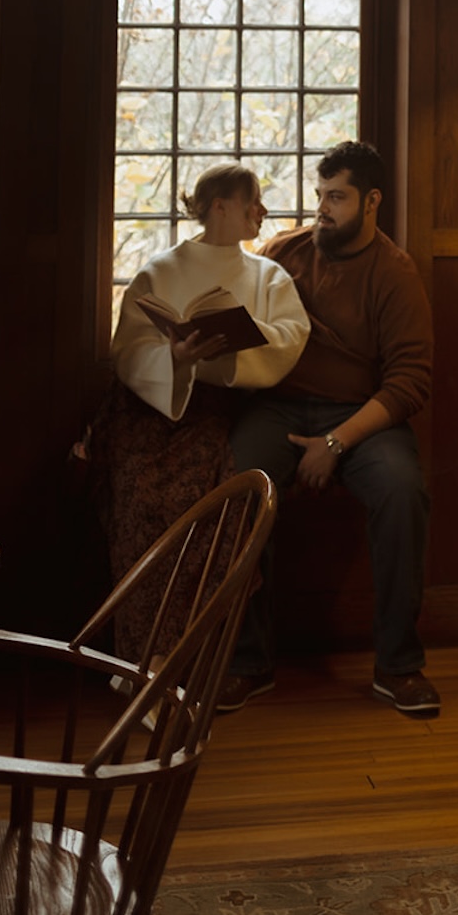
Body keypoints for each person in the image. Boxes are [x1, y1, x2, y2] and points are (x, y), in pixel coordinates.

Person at [219, 140, 439, 717]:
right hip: (279, 405)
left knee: (401, 490)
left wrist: (337, 443)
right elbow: (243, 326)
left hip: (361, 415)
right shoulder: (284, 251)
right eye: (319, 195)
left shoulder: (395, 273)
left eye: (336, 198)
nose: (322, 208)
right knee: (239, 484)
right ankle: (247, 662)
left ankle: (399, 664)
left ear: (371, 202)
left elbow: (410, 382)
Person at [91, 162, 309, 662]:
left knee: (203, 506)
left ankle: (195, 658)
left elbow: (290, 336)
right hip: (146, 411)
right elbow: (128, 349)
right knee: (140, 495)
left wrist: (228, 348)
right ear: (221, 207)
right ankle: (139, 659)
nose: (263, 212)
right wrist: (174, 357)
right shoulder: (159, 271)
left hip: (217, 412)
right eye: (254, 202)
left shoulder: (267, 275)